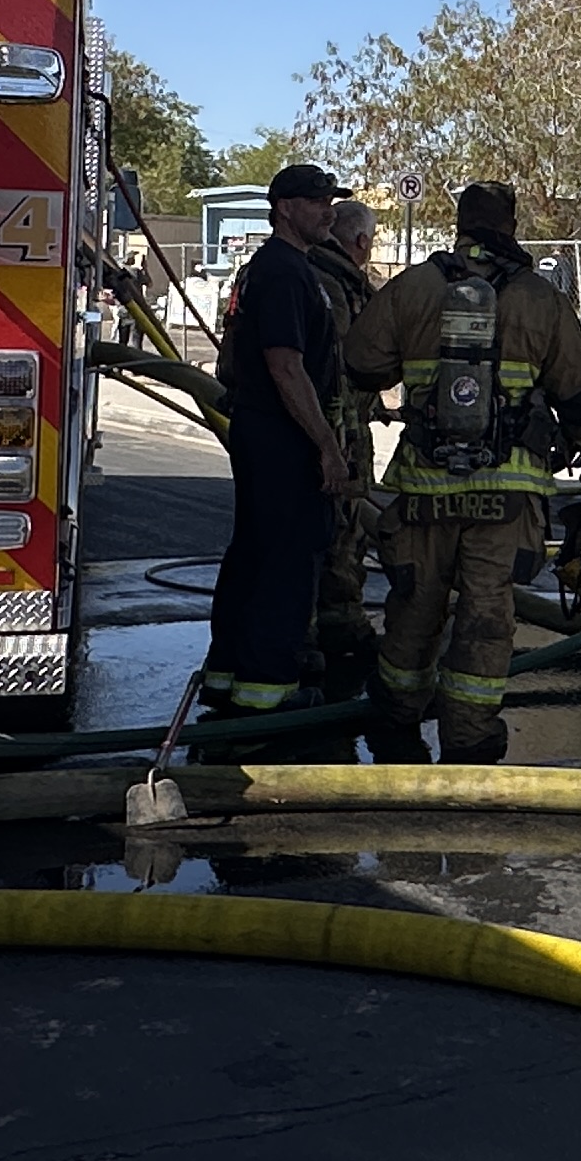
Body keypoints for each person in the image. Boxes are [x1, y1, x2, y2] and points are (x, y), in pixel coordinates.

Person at [341, 180, 581, 762]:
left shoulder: (414, 287)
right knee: (486, 620)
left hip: (426, 489)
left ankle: (395, 728)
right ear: (511, 226)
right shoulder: (541, 298)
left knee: (413, 610)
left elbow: (360, 365)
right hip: (507, 498)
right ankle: (471, 739)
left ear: (459, 224)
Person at [203, 161, 354, 742]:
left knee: (254, 550)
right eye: (317, 201)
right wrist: (327, 447)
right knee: (288, 559)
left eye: (331, 201)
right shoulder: (288, 273)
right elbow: (286, 366)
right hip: (282, 434)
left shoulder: (268, 268)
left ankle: (227, 674)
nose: (328, 210)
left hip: (260, 430)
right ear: (285, 208)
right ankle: (268, 689)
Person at [306, 195, 388, 699]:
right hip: (335, 431)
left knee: (334, 527)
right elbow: (342, 365)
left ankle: (328, 623)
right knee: (341, 526)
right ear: (360, 242)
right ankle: (329, 627)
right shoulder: (336, 286)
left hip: (324, 427)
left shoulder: (315, 274)